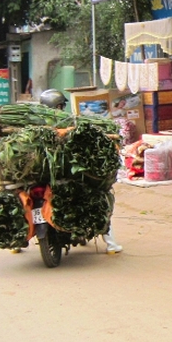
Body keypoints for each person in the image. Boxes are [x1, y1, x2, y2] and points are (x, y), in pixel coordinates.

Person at [39, 89, 123, 255]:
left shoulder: (35, 122)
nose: (62, 108)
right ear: (56, 105)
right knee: (100, 197)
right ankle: (111, 244)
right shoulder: (66, 122)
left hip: (44, 173)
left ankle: (18, 246)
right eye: (61, 105)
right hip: (65, 172)